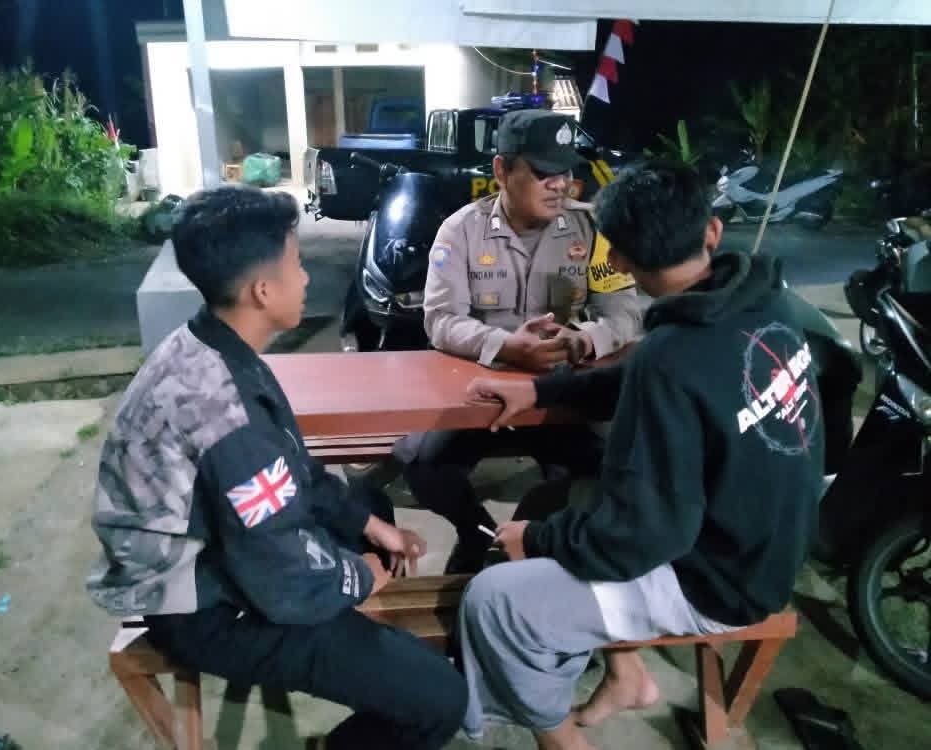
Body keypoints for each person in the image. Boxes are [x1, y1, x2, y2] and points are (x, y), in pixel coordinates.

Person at [456, 160, 825, 750]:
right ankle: (627, 678)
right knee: (571, 496)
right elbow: (645, 373)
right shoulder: (763, 301)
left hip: (719, 582)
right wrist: (541, 392)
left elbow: (647, 536)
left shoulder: (670, 356)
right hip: (771, 548)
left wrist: (539, 540)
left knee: (496, 600)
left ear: (622, 261)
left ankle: (562, 744)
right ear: (712, 230)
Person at [85, 186, 466, 750]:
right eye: (297, 264)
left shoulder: (210, 342)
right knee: (439, 700)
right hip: (200, 606)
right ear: (262, 291)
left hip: (218, 552)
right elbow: (281, 576)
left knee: (369, 507)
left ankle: (367, 640)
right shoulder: (227, 414)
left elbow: (291, 469)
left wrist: (364, 527)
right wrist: (360, 575)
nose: (306, 278)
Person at [392, 109, 645, 574]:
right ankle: (478, 535)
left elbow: (625, 312)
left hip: (559, 388)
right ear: (502, 170)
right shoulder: (460, 231)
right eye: (544, 172)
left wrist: (586, 340)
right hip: (479, 389)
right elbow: (441, 320)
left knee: (607, 464)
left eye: (565, 172)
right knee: (424, 465)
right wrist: (506, 346)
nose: (559, 185)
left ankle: (528, 537)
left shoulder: (592, 230)